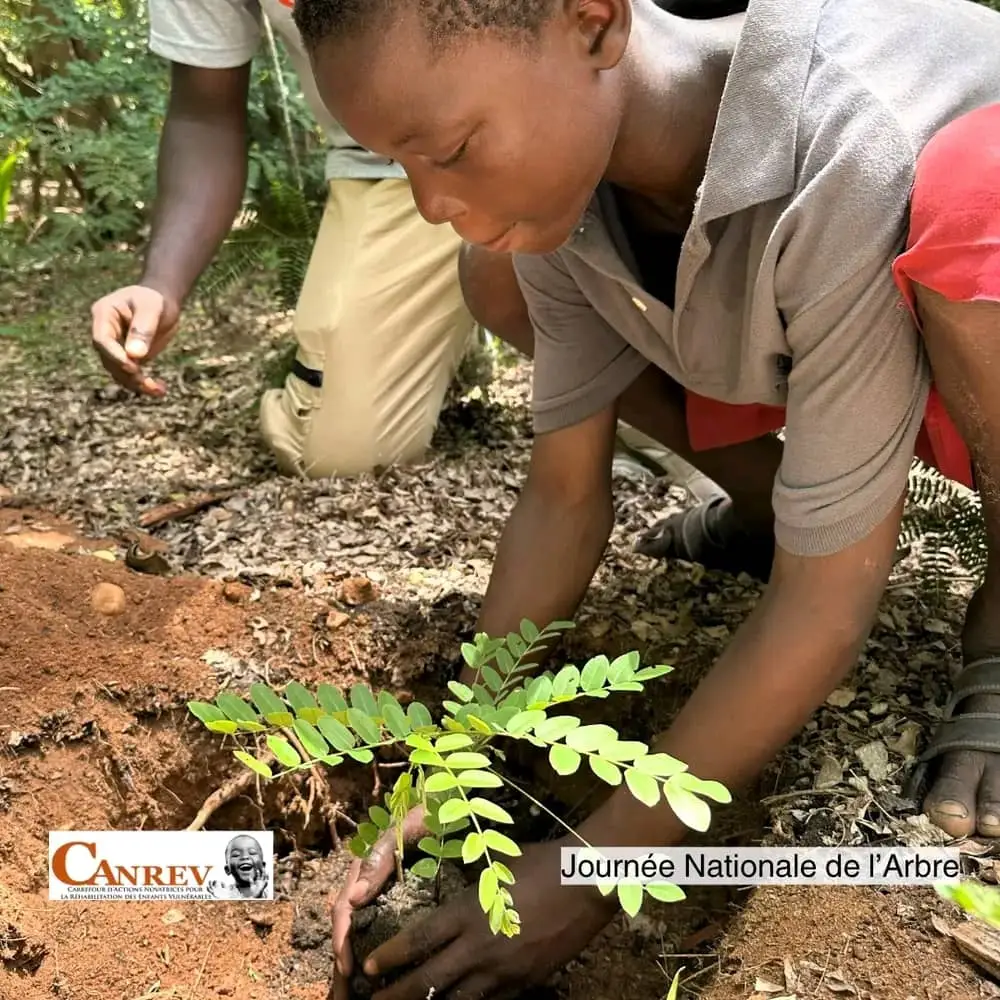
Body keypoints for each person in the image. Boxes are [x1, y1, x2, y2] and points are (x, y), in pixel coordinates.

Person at [290, 0, 1000, 997]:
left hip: (976, 326)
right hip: (886, 351)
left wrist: (598, 867)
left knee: (979, 189)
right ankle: (766, 507)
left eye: (447, 148)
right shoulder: (577, 199)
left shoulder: (848, 140)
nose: (427, 201)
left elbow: (829, 602)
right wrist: (452, 757)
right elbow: (563, 497)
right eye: (398, 164)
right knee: (491, 265)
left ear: (591, 22)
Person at [89, 0, 480, 479]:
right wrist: (160, 284)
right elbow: (204, 112)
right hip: (390, 166)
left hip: (556, 110)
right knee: (336, 451)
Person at [205, 834, 270, 899]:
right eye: (236, 855)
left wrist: (258, 896)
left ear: (263, 866)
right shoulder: (224, 893)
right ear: (227, 869)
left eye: (252, 853)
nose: (245, 856)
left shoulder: (270, 892)